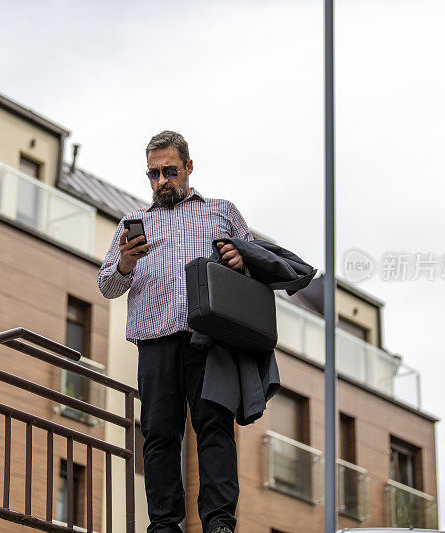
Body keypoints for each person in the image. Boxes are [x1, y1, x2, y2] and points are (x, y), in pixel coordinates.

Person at [97, 130, 253, 533]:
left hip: (209, 337)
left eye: (169, 171)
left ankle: (219, 523)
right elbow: (106, 286)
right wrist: (125, 264)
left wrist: (242, 260)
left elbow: (257, 269)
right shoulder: (136, 224)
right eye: (153, 174)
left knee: (214, 429)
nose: (161, 181)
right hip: (154, 340)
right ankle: (165, 525)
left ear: (188, 168)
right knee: (160, 435)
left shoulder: (222, 212)